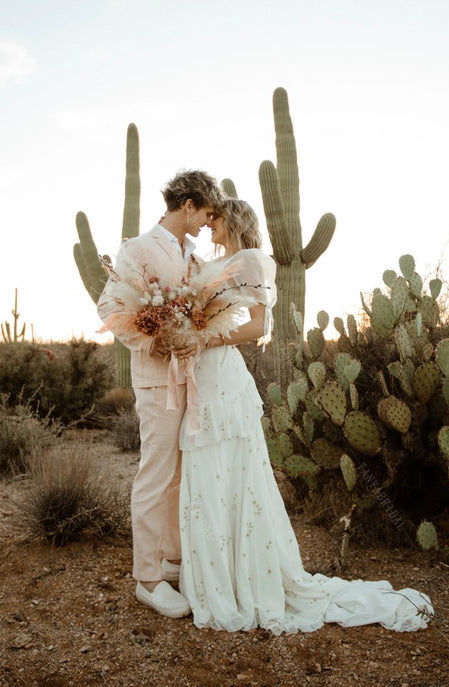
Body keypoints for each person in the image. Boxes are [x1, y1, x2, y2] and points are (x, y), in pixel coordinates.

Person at [176, 199, 434, 634]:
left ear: (231, 218)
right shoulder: (222, 262)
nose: (208, 224)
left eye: (213, 217)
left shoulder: (254, 260)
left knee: (231, 477)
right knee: (208, 477)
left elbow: (259, 327)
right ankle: (215, 579)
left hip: (220, 374)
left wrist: (202, 338)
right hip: (203, 375)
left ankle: (242, 582)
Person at [97, 170, 223, 618]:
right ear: (187, 204)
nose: (209, 223)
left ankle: (171, 559)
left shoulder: (194, 256)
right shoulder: (137, 248)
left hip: (193, 377)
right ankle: (146, 579)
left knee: (179, 472)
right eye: (206, 213)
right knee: (154, 472)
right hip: (156, 379)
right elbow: (110, 307)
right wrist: (154, 341)